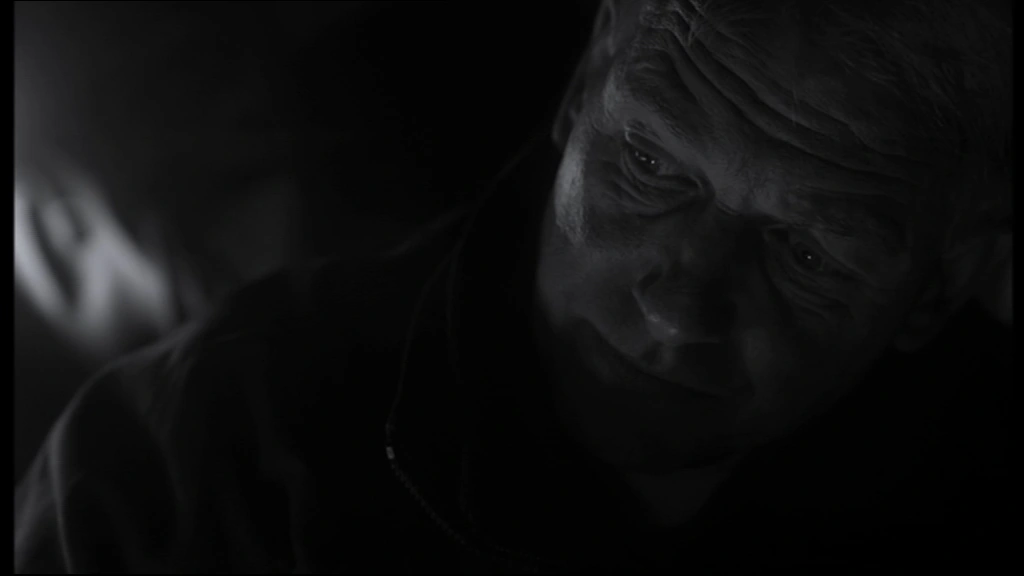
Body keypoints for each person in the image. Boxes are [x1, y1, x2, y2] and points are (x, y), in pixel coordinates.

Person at [14, 0, 1012, 572]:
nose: (680, 306)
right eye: (649, 168)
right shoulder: (195, 458)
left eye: (807, 253)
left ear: (940, 286)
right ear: (580, 93)